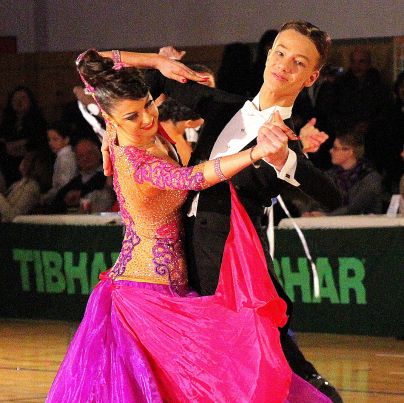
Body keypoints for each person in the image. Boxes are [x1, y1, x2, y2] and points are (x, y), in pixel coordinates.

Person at [47, 49, 331, 402]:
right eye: (132, 116)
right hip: (144, 297)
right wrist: (255, 153)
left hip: (170, 290)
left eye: (148, 105)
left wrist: (157, 63)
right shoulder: (136, 162)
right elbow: (195, 178)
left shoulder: (144, 134)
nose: (147, 119)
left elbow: (86, 61)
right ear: (108, 119)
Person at [304, 131, 384, 216]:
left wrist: (326, 216)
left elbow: (355, 208)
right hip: (331, 222)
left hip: (365, 223)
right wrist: (312, 214)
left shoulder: (369, 177)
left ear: (349, 151)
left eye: (335, 148)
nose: (331, 151)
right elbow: (317, 200)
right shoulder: (330, 175)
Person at [47, 137, 112, 214]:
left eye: (90, 153)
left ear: (99, 153)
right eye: (81, 156)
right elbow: (56, 203)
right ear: (77, 160)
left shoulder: (109, 177)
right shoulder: (73, 182)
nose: (86, 158)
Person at [0, 150, 48, 222]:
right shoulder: (17, 184)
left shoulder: (32, 187)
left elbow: (14, 217)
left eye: (27, 160)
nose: (23, 161)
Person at [41, 122, 78, 205]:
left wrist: (45, 198)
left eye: (55, 139)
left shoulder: (65, 158)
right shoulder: (63, 156)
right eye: (49, 140)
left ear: (66, 140)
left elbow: (63, 186)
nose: (51, 143)